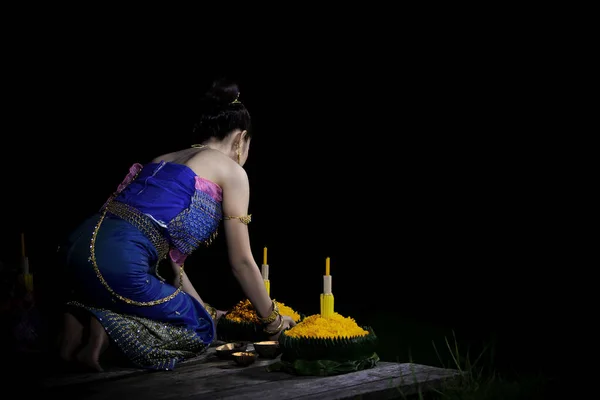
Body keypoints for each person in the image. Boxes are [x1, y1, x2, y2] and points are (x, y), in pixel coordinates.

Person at [55, 78, 296, 372]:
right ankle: (103, 327)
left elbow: (170, 263)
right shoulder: (231, 171)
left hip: (73, 250)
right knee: (201, 331)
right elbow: (242, 262)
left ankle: (77, 318)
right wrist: (272, 322)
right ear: (240, 139)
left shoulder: (163, 159)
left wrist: (204, 309)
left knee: (199, 316)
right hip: (119, 263)